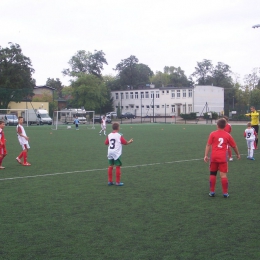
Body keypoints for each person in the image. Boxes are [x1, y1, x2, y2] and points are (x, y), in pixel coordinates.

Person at [204, 118, 240, 198]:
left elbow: (208, 145)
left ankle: (212, 192)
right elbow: (234, 146)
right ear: (225, 126)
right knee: (223, 175)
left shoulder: (212, 134)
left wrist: (206, 155)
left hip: (214, 156)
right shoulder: (227, 135)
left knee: (213, 174)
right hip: (223, 157)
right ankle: (225, 193)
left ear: (217, 125)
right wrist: (238, 154)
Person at [105, 122, 133, 186]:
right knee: (118, 166)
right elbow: (125, 143)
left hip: (110, 152)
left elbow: (106, 143)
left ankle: (110, 181)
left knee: (110, 165)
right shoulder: (119, 135)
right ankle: (117, 182)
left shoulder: (109, 135)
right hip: (116, 152)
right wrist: (130, 142)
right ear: (117, 128)